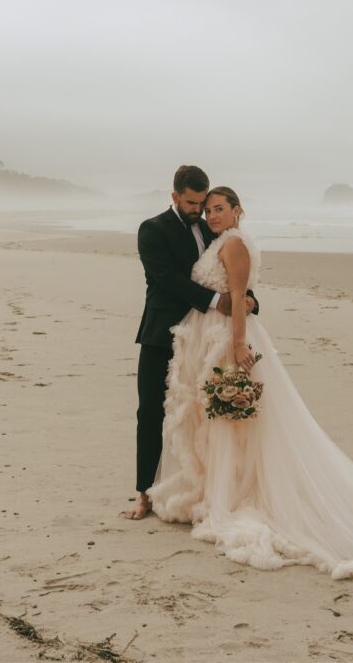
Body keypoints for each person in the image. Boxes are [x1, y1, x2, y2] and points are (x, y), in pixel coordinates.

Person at [147, 186, 353, 578]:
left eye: (219, 209)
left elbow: (240, 296)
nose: (212, 216)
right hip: (214, 337)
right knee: (225, 420)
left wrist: (238, 345)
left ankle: (234, 495)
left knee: (235, 417)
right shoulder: (222, 240)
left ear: (238, 210)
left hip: (229, 339)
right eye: (208, 210)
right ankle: (225, 488)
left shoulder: (234, 243)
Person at [123, 166, 258, 521]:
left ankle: (207, 489)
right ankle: (143, 495)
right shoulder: (151, 230)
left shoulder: (210, 226)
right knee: (150, 411)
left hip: (205, 340)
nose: (199, 209)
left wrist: (250, 300)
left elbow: (233, 273)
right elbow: (166, 280)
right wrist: (218, 302)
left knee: (203, 415)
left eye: (203, 202)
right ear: (175, 197)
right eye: (191, 202)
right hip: (162, 334)